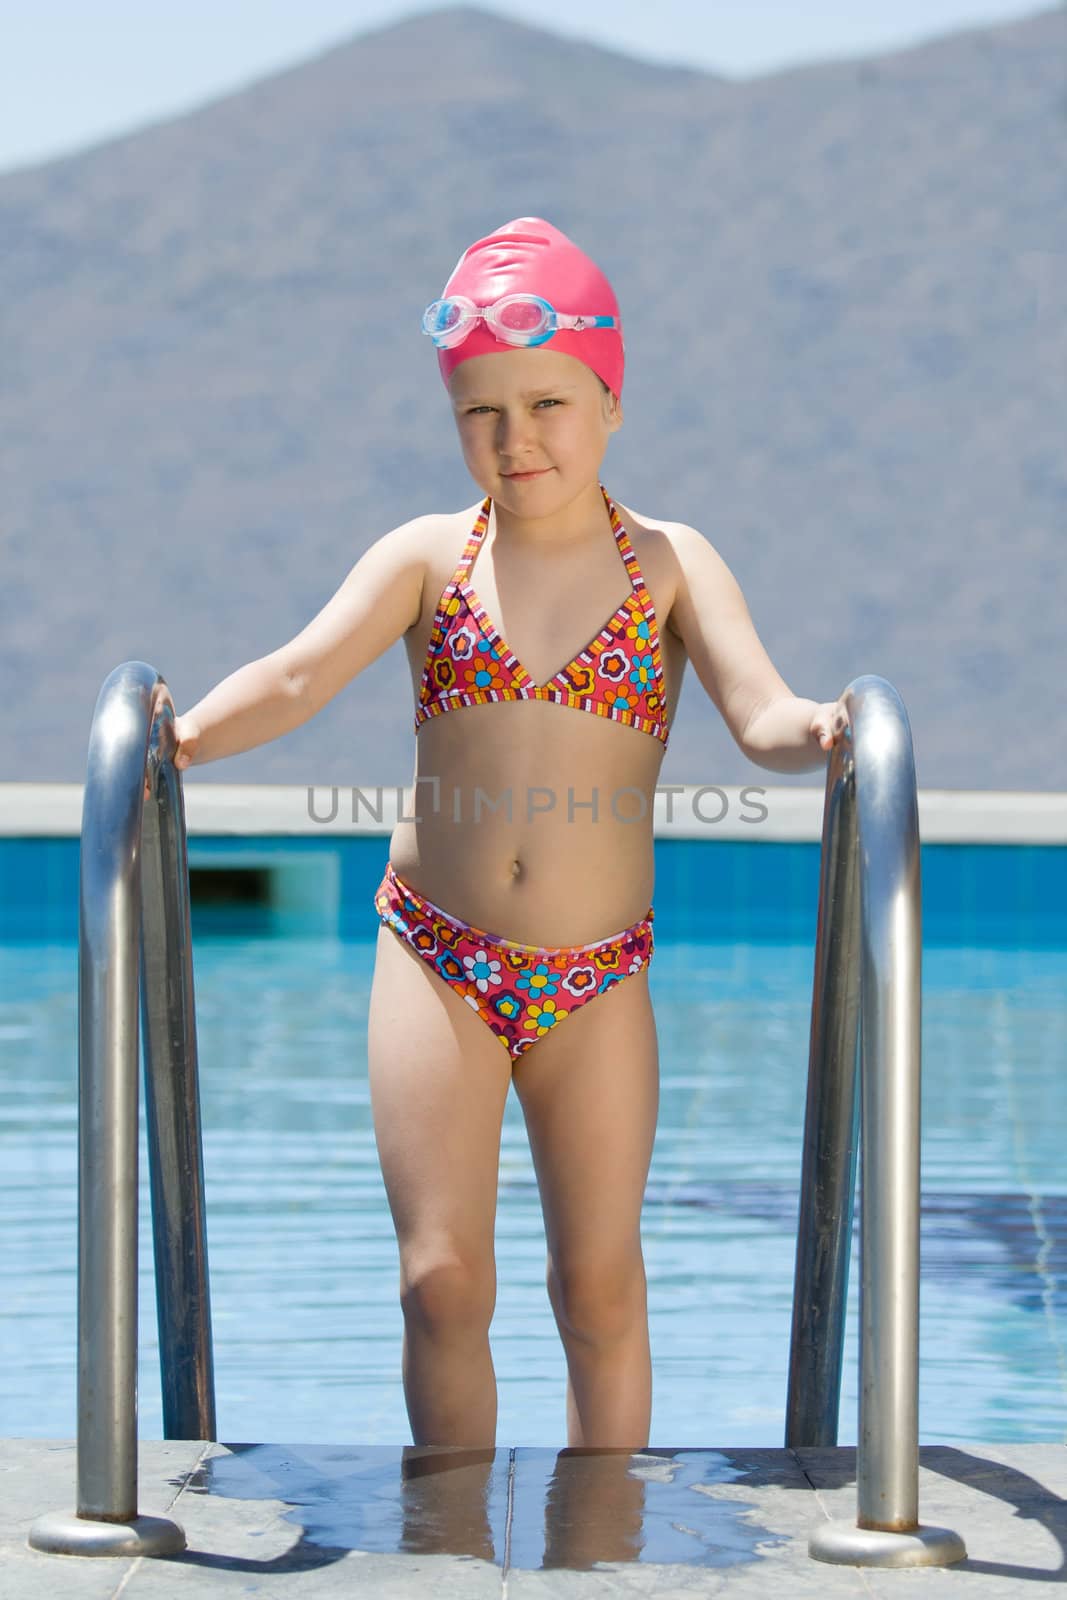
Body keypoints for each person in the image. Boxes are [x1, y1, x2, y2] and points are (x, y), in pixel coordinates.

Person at [172, 217, 849, 1450]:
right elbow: (293, 675)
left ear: (610, 401)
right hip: (437, 956)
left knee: (594, 1288)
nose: (514, 437)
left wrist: (823, 728)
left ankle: (602, 1552)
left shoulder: (667, 565)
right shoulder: (430, 558)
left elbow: (757, 710)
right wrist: (177, 739)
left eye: (546, 401)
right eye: (478, 411)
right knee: (441, 1282)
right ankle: (446, 1545)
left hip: (592, 977)